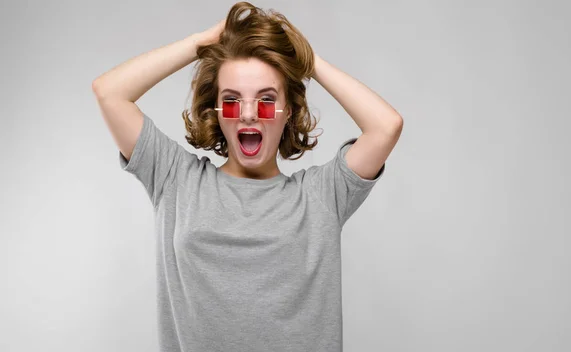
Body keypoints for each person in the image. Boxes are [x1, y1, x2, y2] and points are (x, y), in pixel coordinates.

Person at [92, 2, 403, 351]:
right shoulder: (175, 178)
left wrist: (306, 61)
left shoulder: (320, 195)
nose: (249, 114)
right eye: (232, 100)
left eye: (267, 100)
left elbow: (385, 126)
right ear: (217, 112)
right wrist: (202, 42)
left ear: (288, 114)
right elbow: (110, 93)